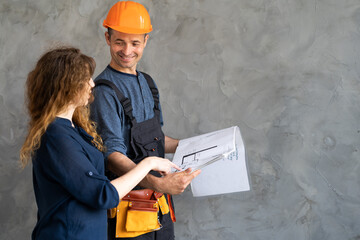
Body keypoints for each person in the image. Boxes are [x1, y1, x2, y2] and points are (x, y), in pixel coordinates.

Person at [19, 46, 180, 240]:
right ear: (67, 86)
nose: (92, 84)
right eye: (85, 79)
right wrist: (149, 164)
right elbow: (103, 194)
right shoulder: (56, 138)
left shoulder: (74, 129)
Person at [90, 1, 201, 240]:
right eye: (119, 41)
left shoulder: (147, 83)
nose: (127, 50)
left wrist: (195, 146)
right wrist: (156, 183)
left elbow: (156, 138)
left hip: (159, 205)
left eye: (135, 43)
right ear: (107, 38)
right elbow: (112, 156)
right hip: (127, 213)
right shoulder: (104, 91)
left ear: (146, 41)